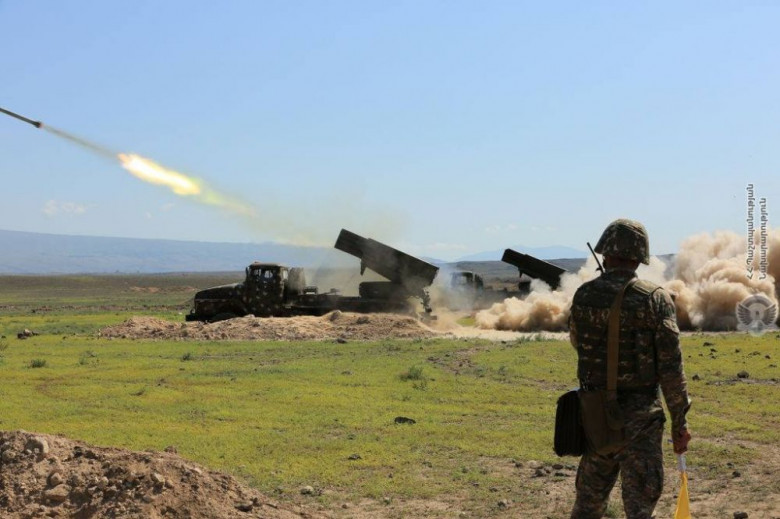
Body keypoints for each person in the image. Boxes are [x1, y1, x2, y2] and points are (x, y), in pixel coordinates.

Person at [568, 219, 691, 519]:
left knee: (587, 507)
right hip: (641, 421)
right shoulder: (655, 299)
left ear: (605, 252)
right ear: (639, 257)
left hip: (596, 417)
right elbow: (671, 369)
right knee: (640, 509)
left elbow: (577, 343)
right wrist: (679, 423)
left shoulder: (584, 295)